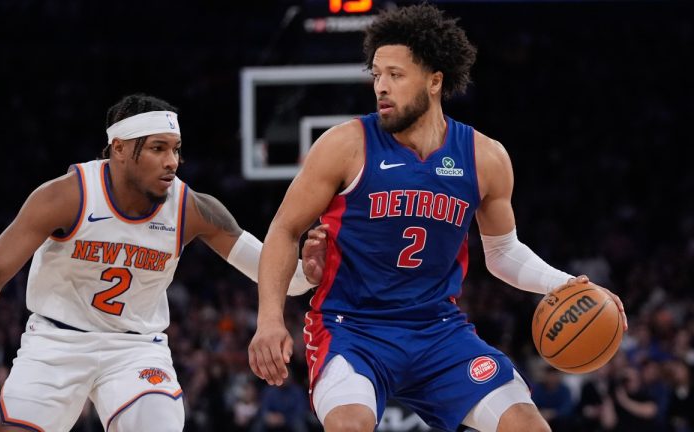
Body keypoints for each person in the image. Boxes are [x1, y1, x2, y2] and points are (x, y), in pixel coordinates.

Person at [248, 5, 627, 432]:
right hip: (352, 329)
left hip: (439, 332)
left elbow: (502, 253)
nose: (381, 87)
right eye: (376, 75)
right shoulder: (345, 144)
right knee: (349, 426)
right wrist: (269, 320)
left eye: (396, 75)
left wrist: (564, 283)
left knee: (529, 426)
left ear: (434, 81)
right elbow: (284, 229)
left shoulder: (485, 156)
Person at [0, 93, 325, 432]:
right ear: (120, 149)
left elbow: (272, 273)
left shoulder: (191, 207)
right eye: (158, 148)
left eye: (175, 149)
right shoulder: (66, 196)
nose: (172, 162)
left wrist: (304, 274)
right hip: (56, 340)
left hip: (136, 348)